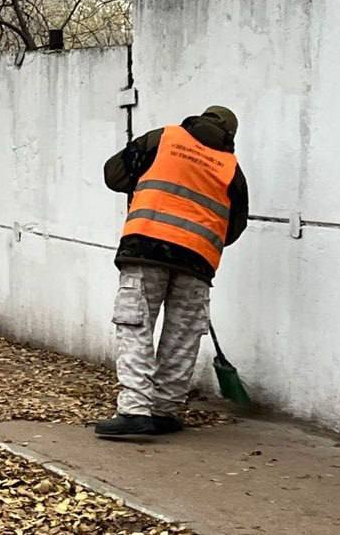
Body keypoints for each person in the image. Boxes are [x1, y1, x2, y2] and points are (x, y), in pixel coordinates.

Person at [96, 106, 248, 437]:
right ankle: (164, 411)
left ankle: (135, 411)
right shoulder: (231, 169)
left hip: (146, 247)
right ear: (230, 135)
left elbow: (114, 174)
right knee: (182, 335)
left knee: (136, 325)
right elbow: (233, 228)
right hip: (197, 260)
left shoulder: (162, 138)